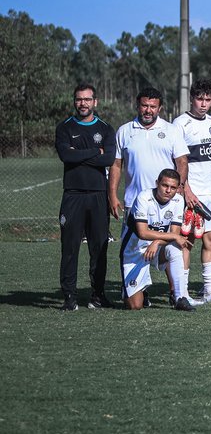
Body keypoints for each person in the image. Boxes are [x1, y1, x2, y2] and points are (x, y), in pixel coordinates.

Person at [108, 88, 191, 300]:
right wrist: (112, 195)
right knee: (135, 250)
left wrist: (179, 188)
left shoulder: (171, 130)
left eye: (153, 106)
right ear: (138, 106)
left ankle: (176, 293)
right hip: (134, 204)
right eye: (144, 105)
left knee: (171, 247)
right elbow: (116, 165)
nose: (148, 110)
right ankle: (137, 289)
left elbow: (182, 161)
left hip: (165, 203)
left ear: (159, 108)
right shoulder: (125, 131)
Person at [55, 82, 116, 310]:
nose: (83, 103)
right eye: (79, 99)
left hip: (98, 195)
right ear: (75, 101)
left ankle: (97, 296)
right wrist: (94, 152)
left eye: (87, 99)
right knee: (69, 248)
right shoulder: (65, 127)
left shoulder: (106, 129)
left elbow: (108, 159)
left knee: (99, 248)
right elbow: (65, 156)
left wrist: (78, 154)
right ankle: (69, 298)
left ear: (95, 102)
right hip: (73, 195)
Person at [172, 80, 211, 302]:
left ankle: (209, 291)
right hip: (190, 193)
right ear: (192, 99)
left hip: (210, 192)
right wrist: (185, 190)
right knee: (187, 242)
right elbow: (177, 161)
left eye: (207, 99)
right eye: (199, 99)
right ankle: (183, 292)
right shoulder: (180, 123)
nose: (203, 104)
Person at [119, 168, 194, 311]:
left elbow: (174, 234)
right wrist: (173, 236)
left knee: (175, 248)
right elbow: (142, 232)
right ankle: (132, 290)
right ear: (157, 183)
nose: (168, 190)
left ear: (178, 188)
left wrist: (157, 242)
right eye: (165, 185)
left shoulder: (178, 200)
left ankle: (180, 297)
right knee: (135, 306)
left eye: (173, 187)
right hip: (135, 250)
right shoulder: (143, 197)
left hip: (157, 247)